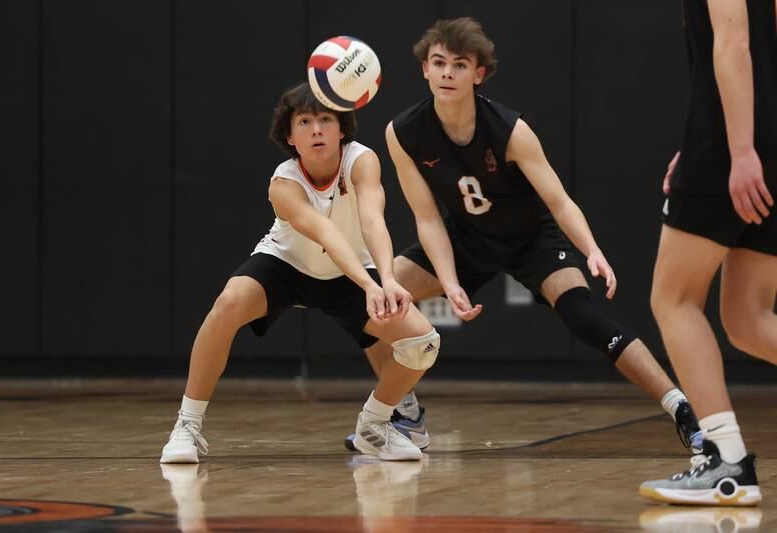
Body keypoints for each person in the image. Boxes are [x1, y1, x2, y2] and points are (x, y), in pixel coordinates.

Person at [344, 17, 702, 454]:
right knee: (373, 299)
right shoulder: (403, 133)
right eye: (438, 63)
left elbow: (560, 201)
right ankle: (405, 413)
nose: (446, 74)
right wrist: (451, 282)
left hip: (533, 240)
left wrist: (592, 251)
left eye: (459, 65)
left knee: (585, 318)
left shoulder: (510, 130)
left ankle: (682, 409)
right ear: (424, 69)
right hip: (466, 240)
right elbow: (428, 217)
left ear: (478, 74)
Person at [160, 82, 441, 463]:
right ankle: (187, 426)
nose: (317, 130)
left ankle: (374, 425)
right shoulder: (283, 183)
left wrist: (387, 280)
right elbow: (325, 232)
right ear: (290, 136)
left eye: (326, 119)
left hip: (349, 273)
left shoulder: (362, 160)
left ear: (342, 128)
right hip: (287, 265)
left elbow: (373, 218)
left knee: (424, 343)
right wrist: (368, 284)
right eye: (305, 122)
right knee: (228, 303)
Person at [640, 0, 775, 506]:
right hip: (761, 138)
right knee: (747, 319)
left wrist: (736, 150)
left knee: (672, 301)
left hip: (731, 146)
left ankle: (728, 461)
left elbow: (733, 43)